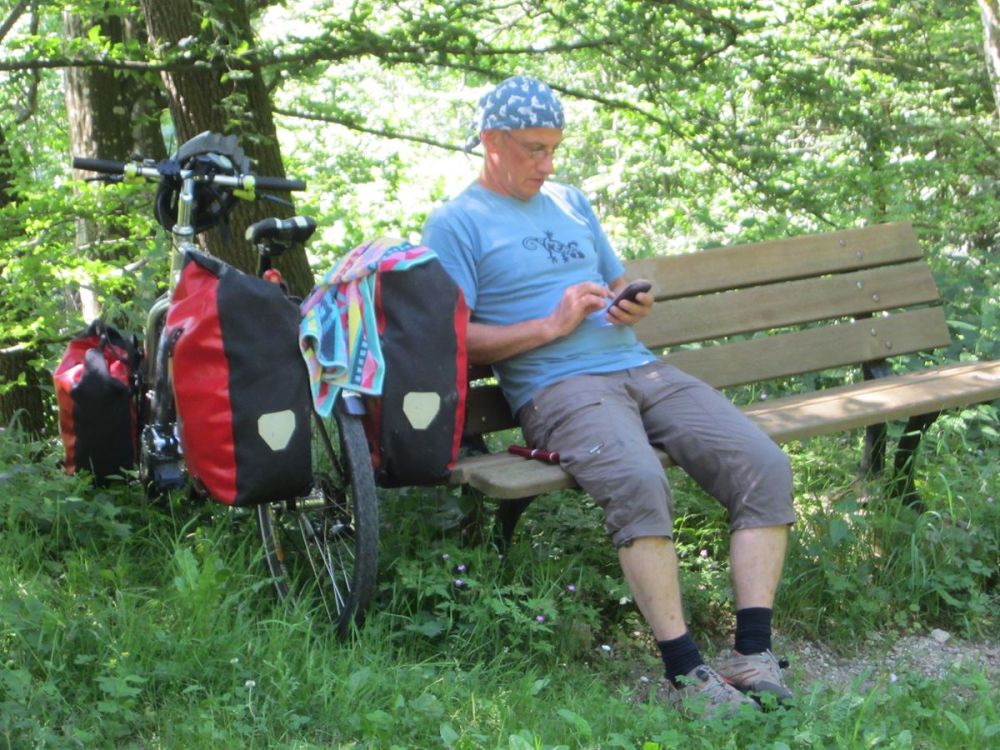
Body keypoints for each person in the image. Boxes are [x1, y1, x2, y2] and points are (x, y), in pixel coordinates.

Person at [421, 76, 796, 718]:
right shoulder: (455, 223)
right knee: (638, 480)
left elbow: (618, 279)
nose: (548, 164)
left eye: (554, 149)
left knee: (763, 464)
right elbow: (450, 338)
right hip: (557, 388)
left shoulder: (570, 202)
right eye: (535, 150)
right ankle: (686, 674)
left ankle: (752, 654)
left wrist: (632, 302)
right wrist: (550, 326)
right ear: (491, 142)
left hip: (640, 369)